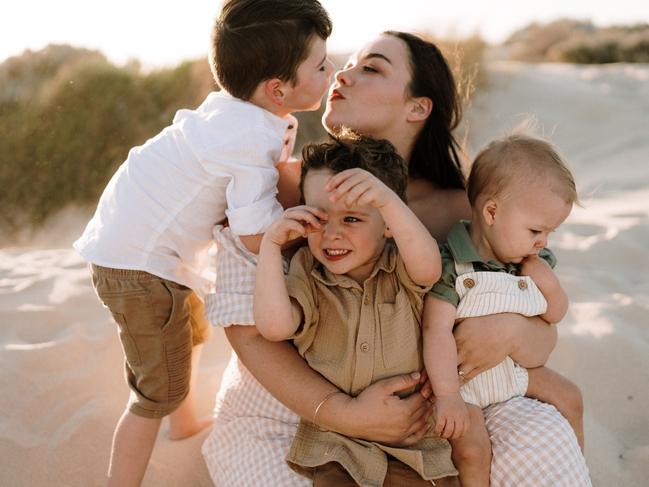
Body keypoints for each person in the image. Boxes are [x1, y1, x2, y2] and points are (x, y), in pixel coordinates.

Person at [203, 31, 590, 486]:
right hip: (289, 402)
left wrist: (509, 331)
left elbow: (540, 325)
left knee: (544, 441)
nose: (343, 73)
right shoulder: (268, 187)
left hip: (434, 408)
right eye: (348, 63)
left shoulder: (462, 209)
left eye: (372, 68)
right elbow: (248, 333)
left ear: (417, 107)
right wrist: (344, 412)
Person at [73, 1, 333, 485]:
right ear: (278, 89)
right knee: (155, 390)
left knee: (188, 331)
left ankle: (185, 423)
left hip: (137, 249)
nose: (331, 70)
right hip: (141, 266)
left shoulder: (233, 114)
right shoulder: (247, 140)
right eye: (320, 66)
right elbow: (257, 234)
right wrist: (301, 224)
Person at [254, 132, 455, 486]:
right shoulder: (308, 273)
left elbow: (430, 270)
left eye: (351, 219)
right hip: (336, 447)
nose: (331, 234)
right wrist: (271, 247)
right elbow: (274, 327)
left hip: (415, 440)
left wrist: (389, 202)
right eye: (319, 217)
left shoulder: (403, 267)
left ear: (390, 224)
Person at [424, 134, 585, 486]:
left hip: (514, 375)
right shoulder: (451, 263)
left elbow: (554, 314)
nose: (543, 242)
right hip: (466, 385)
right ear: (492, 212)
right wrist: (448, 395)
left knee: (571, 397)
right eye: (536, 230)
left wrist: (549, 284)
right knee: (473, 449)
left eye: (549, 233)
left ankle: (579, 472)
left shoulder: (532, 261)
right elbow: (434, 330)